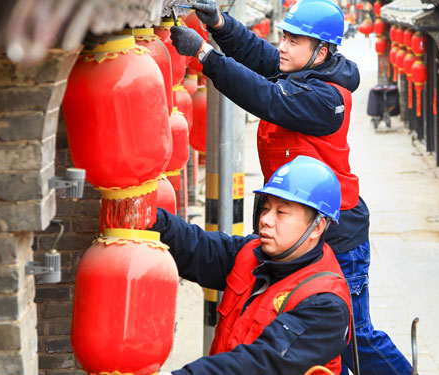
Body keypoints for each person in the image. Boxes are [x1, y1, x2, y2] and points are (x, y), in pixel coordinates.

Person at [168, 0, 413, 374]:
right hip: (296, 219)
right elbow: (259, 54)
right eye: (284, 36)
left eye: (294, 40)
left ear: (322, 51)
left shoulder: (326, 98)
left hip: (336, 231)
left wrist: (204, 54)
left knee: (354, 339)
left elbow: (265, 97)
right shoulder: (300, 70)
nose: (283, 46)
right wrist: (219, 23)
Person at [155, 156, 352, 375]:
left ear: (316, 228)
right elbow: (195, 246)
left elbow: (257, 364)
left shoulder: (325, 305)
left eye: (281, 212)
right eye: (265, 208)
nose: (266, 219)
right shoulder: (252, 252)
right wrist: (151, 219)